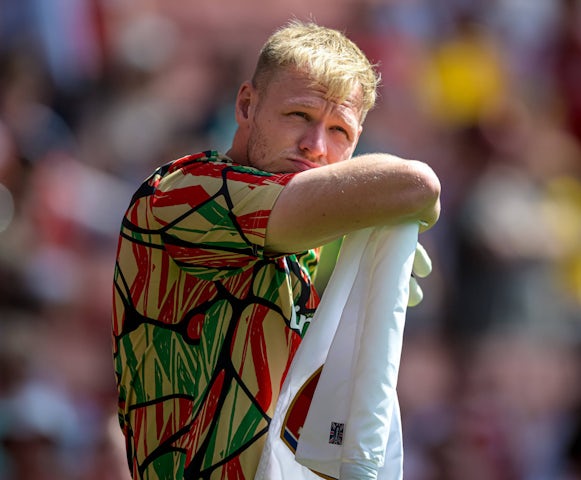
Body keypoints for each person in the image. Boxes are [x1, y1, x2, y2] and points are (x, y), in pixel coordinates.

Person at [112, 20, 441, 480]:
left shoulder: (313, 245)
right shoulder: (180, 193)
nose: (315, 147)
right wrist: (381, 212)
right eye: (299, 116)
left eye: (340, 132)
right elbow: (415, 185)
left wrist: (373, 260)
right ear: (247, 104)